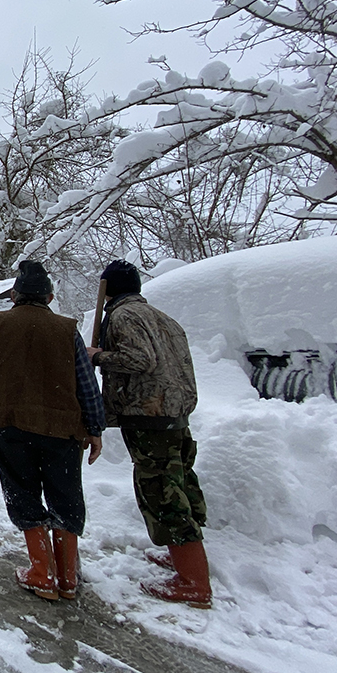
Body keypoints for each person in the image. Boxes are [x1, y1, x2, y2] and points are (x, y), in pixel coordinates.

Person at [0, 260, 105, 601]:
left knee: (22, 492)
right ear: (50, 296)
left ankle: (42, 573)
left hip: (10, 425)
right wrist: (95, 428)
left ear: (14, 295)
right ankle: (68, 578)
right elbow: (86, 384)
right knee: (66, 496)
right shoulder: (67, 330)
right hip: (62, 429)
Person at [86, 260, 212, 608]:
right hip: (175, 412)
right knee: (181, 481)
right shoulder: (162, 317)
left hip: (149, 415)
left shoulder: (125, 317)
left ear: (108, 289)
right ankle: (183, 558)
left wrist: (97, 357)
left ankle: (193, 582)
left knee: (162, 492)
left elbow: (141, 360)